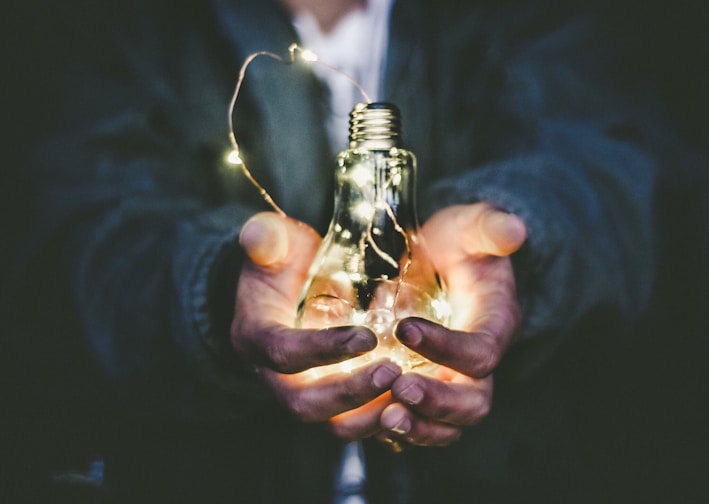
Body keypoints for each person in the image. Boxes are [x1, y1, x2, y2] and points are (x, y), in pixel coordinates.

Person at [3, 0, 707, 502]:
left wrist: (514, 243)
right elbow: (69, 222)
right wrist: (217, 291)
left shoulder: (522, 19)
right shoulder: (131, 26)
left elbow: (620, 164)